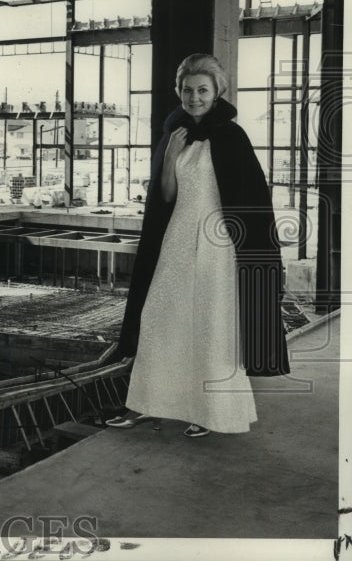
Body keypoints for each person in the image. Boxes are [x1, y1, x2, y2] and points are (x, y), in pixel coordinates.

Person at [108, 54, 289, 438]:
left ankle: (207, 411)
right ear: (179, 91)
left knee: (211, 324)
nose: (194, 98)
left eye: (202, 90)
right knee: (159, 316)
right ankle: (146, 403)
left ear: (217, 92)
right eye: (188, 90)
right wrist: (171, 155)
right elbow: (167, 195)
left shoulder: (232, 136)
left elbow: (251, 198)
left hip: (217, 242)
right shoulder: (174, 133)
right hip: (176, 236)